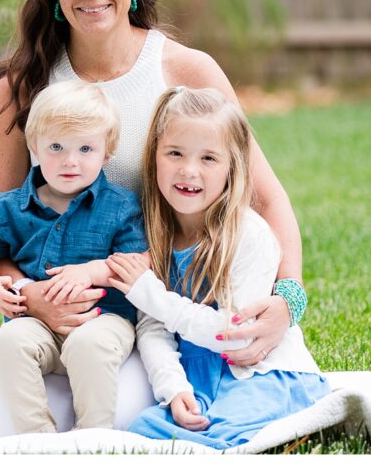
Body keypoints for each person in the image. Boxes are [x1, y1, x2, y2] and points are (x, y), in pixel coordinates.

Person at [0, 0, 308, 431]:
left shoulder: (185, 70)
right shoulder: (22, 87)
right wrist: (30, 298)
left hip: (159, 315)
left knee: (133, 422)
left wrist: (288, 299)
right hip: (48, 319)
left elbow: (264, 198)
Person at [107, 87, 328, 449]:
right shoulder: (153, 233)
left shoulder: (248, 235)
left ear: (232, 167)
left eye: (209, 158)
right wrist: (173, 389)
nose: (188, 170)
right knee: (144, 435)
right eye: (175, 153)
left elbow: (236, 335)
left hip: (260, 373)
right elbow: (152, 327)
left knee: (225, 436)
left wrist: (148, 292)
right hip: (197, 381)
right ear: (154, 158)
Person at [0, 80, 145, 434]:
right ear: (35, 146)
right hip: (36, 324)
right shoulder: (9, 207)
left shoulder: (120, 207)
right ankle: (37, 438)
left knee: (90, 346)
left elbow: (138, 264)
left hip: (102, 319)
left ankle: (93, 435)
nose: (70, 161)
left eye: (86, 149)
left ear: (107, 152)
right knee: (7, 344)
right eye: (56, 146)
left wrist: (91, 271)